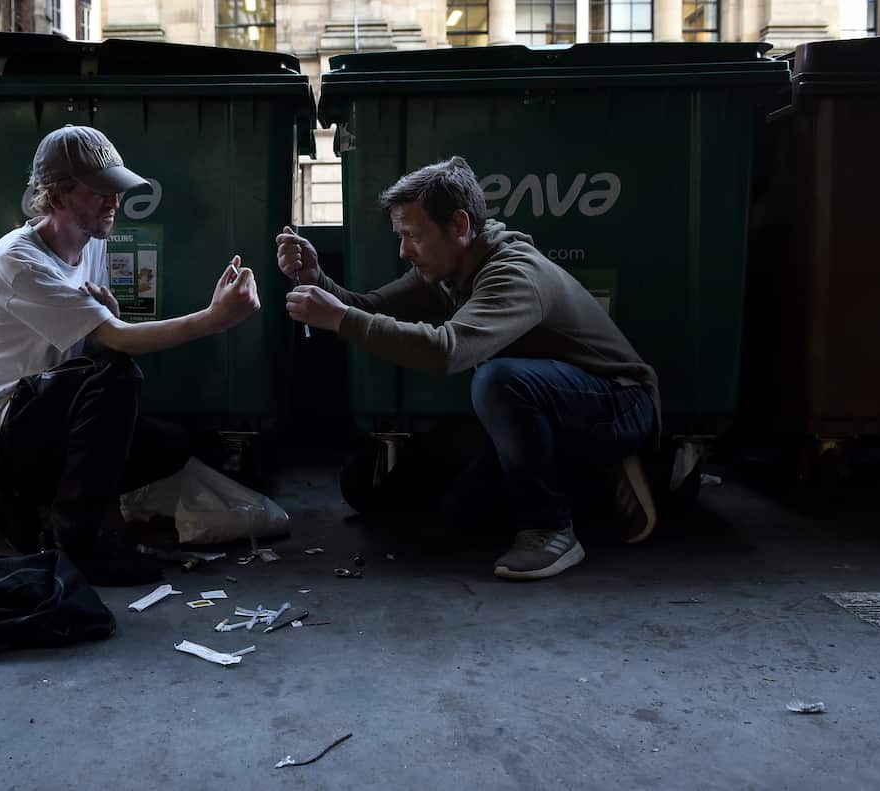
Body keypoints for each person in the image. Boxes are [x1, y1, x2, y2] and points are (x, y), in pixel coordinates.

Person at [277, 156, 660, 581]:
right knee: (424, 507)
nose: (404, 250)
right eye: (400, 236)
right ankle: (583, 483)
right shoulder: (448, 266)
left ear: (459, 226)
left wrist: (339, 318)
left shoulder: (513, 272)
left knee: (499, 380)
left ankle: (552, 529)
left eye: (412, 236)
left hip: (617, 404)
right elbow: (372, 308)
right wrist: (318, 279)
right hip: (551, 410)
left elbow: (448, 351)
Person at [0, 125, 261, 585]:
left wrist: (104, 331)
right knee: (120, 377)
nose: (114, 201)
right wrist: (213, 318)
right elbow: (117, 342)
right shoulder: (19, 261)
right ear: (56, 198)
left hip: (46, 413)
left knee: (173, 445)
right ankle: (77, 545)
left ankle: (37, 504)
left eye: (115, 189)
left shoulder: (90, 245)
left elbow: (97, 341)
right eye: (99, 192)